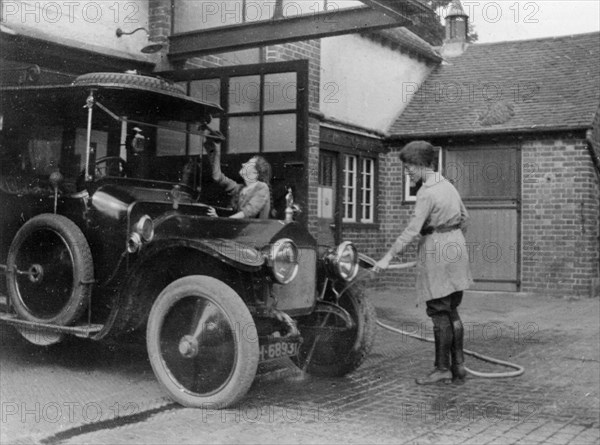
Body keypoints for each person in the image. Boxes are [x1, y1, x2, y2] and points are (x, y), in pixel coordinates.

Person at [373, 140, 473, 385]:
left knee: (439, 312)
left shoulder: (426, 191)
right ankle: (458, 367)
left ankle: (441, 369)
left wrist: (387, 258)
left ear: (420, 164)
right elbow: (465, 218)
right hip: (456, 248)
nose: (407, 172)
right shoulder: (447, 185)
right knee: (451, 309)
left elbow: (411, 231)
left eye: (408, 167)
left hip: (437, 252)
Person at [204, 135, 272, 219]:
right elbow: (217, 177)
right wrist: (215, 149)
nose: (243, 164)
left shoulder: (262, 187)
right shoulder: (240, 189)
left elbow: (247, 212)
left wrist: (222, 220)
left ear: (255, 173)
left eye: (248, 163)